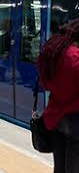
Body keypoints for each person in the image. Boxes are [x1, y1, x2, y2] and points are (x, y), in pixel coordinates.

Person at [37, 19, 79, 172]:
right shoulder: (75, 57)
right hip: (75, 121)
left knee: (59, 166)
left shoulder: (54, 53)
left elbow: (45, 84)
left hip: (55, 119)